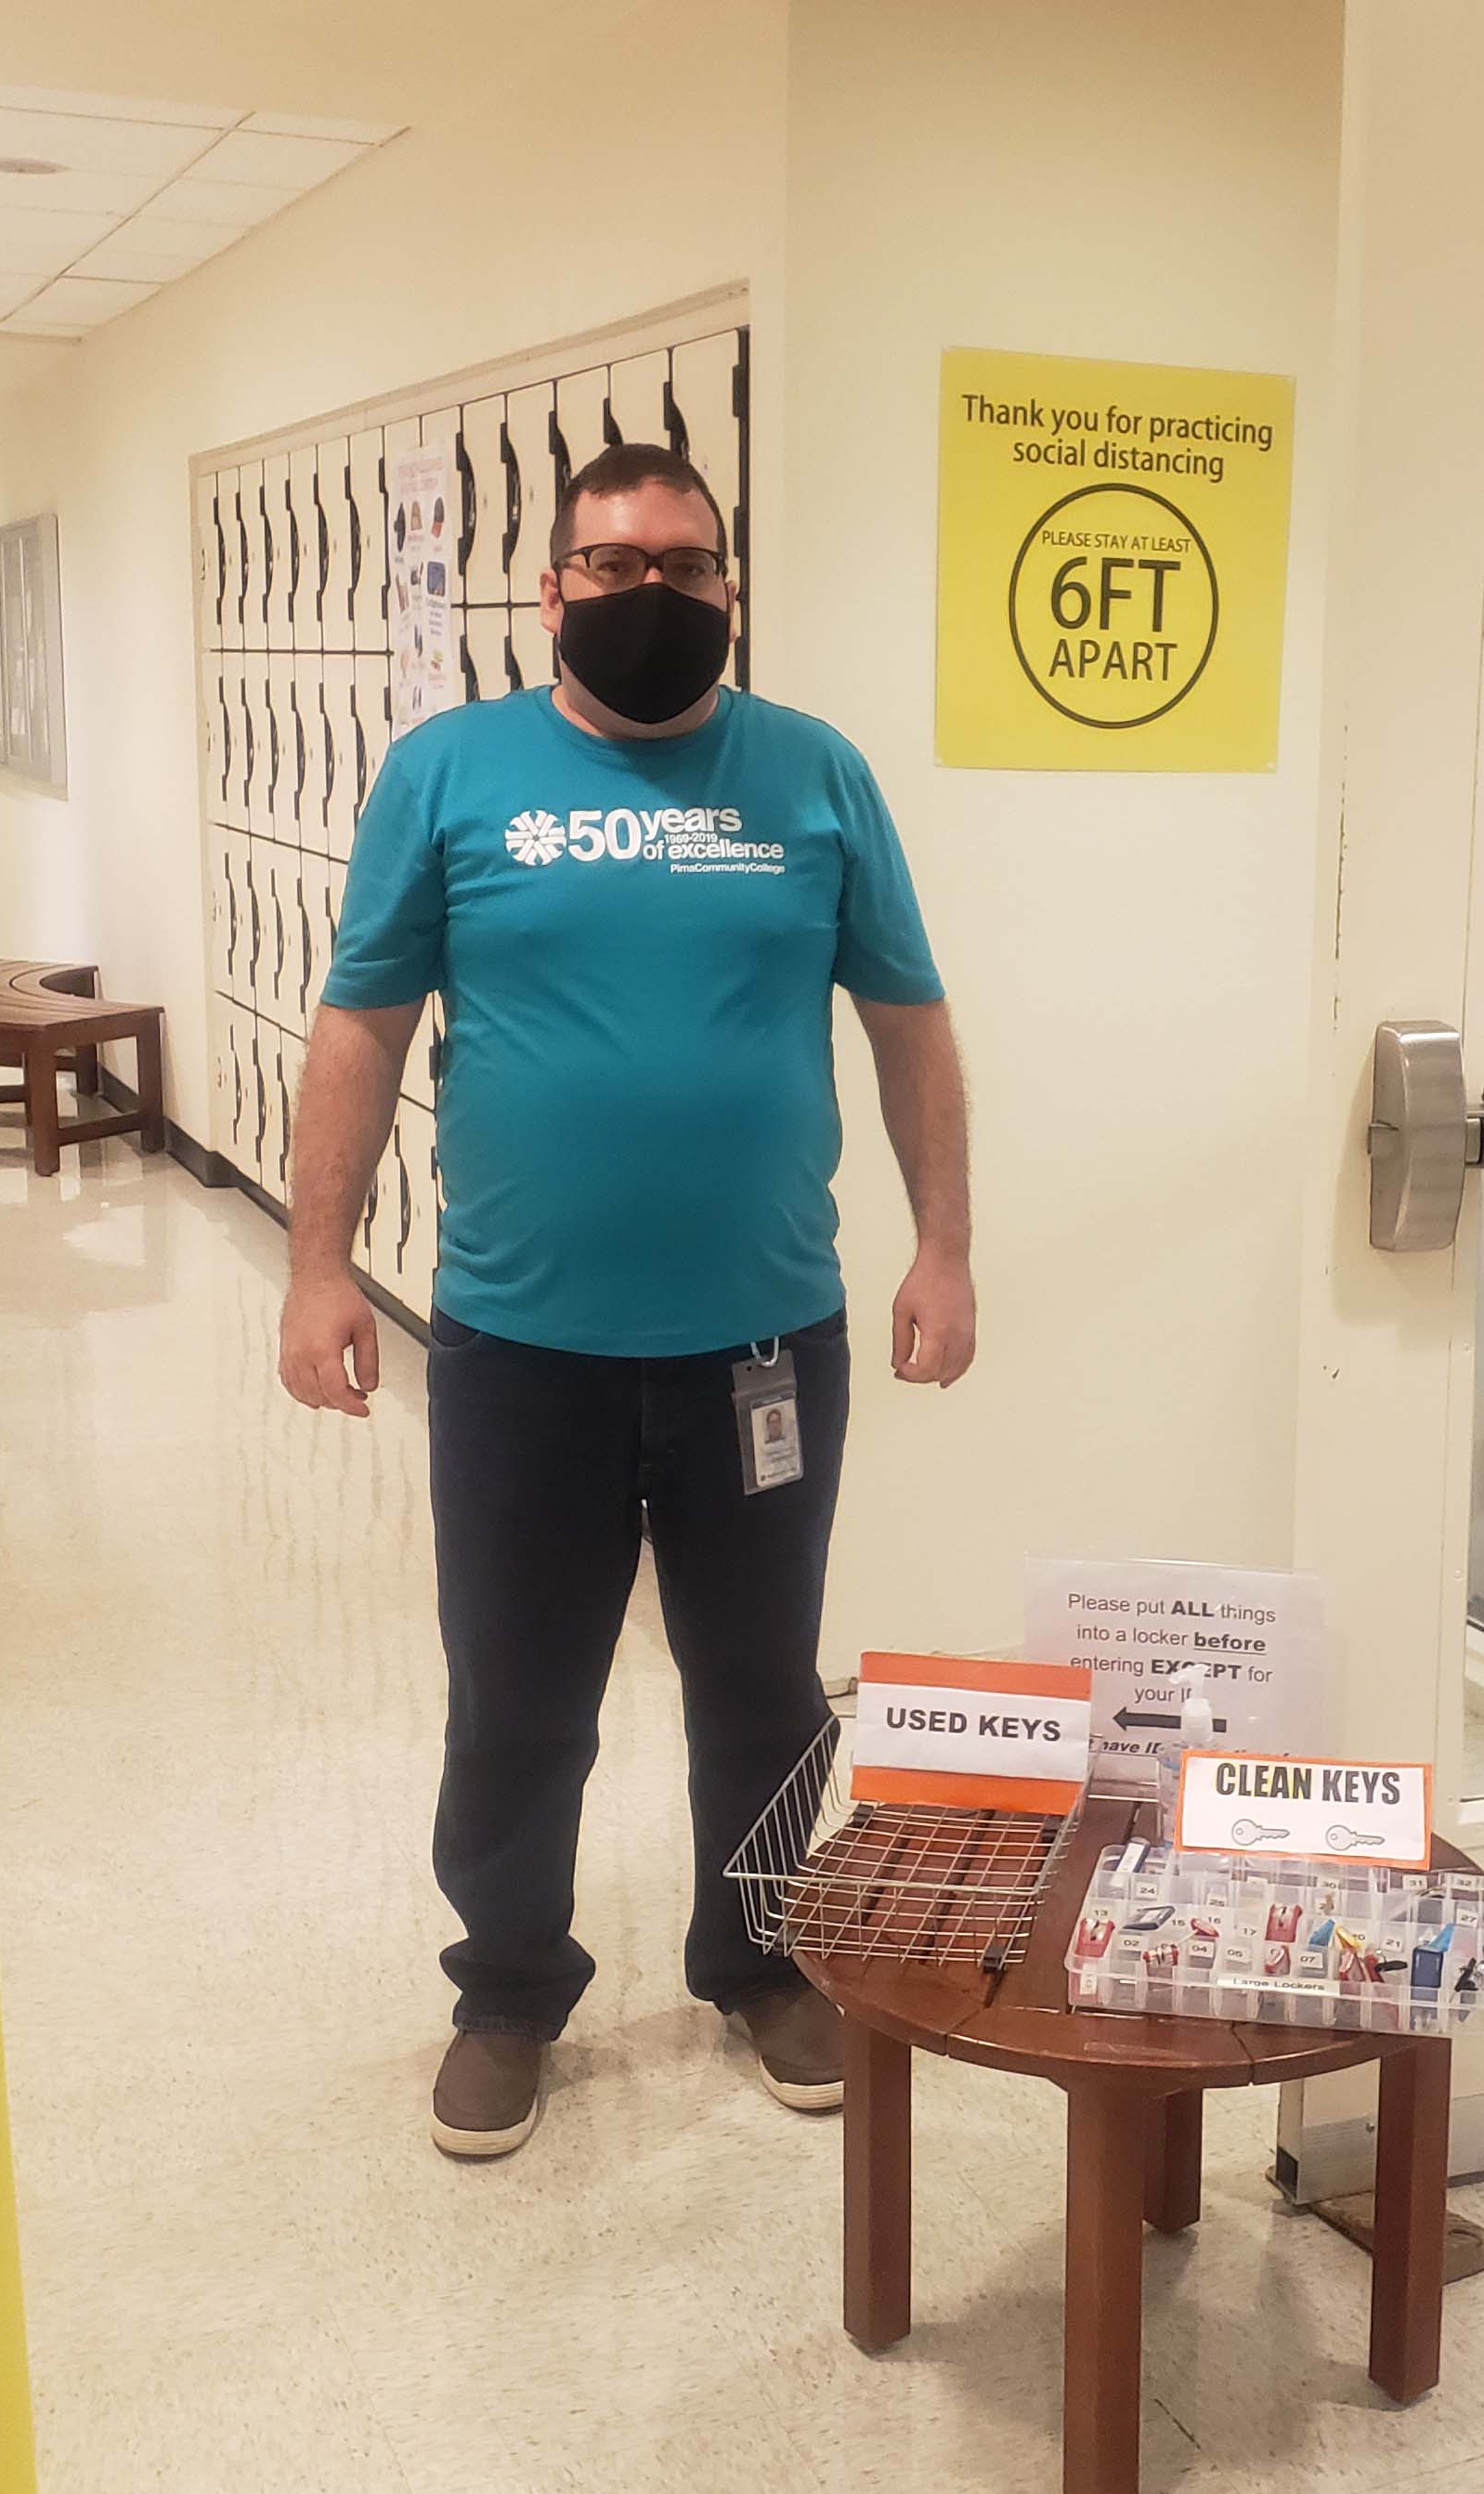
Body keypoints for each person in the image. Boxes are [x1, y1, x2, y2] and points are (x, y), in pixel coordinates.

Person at [279, 440, 972, 2158]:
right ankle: (507, 1986)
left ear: (728, 585)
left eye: (685, 565)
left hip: (761, 1341)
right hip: (522, 1351)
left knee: (763, 1688)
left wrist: (944, 1242)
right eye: (613, 565)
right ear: (551, 591)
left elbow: (909, 1022)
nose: (648, 595)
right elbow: (361, 1027)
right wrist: (315, 1264)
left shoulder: (814, 776)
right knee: (516, 1694)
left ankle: (759, 1956)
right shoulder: (450, 771)